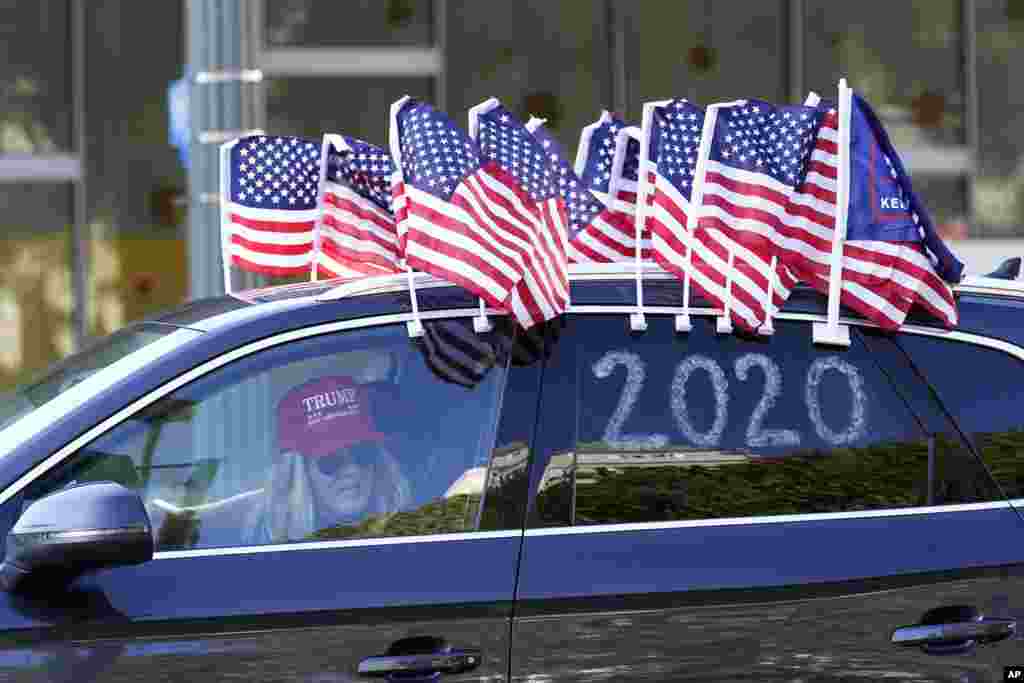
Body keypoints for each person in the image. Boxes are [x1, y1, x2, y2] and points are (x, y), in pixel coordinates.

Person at [242, 375, 412, 544]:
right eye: (331, 460)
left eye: (363, 453)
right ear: (297, 474)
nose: (352, 470)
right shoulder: (265, 545)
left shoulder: (414, 527)